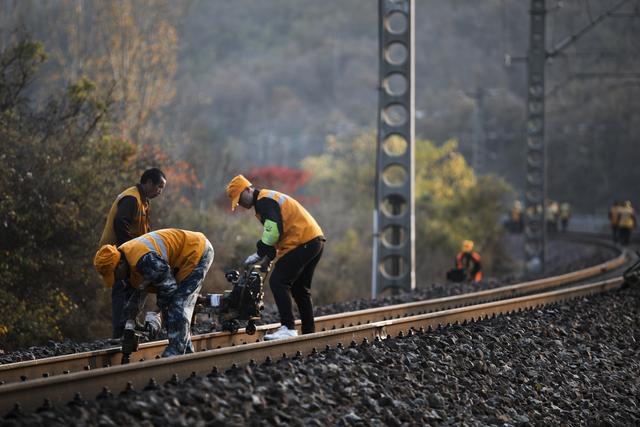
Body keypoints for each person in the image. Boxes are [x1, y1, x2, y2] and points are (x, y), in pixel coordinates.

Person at [226, 174, 325, 340]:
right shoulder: (266, 200)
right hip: (315, 241)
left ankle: (288, 327)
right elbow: (276, 234)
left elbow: (272, 232)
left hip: (302, 241)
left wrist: (259, 252)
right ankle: (309, 332)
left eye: (240, 198)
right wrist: (268, 259)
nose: (241, 204)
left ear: (248, 189)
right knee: (300, 289)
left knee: (278, 282)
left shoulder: (264, 201)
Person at [94, 228, 214, 357]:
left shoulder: (144, 259)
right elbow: (136, 294)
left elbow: (169, 288)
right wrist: (131, 321)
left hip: (196, 251)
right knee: (172, 308)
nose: (116, 279)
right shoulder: (125, 259)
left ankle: (175, 354)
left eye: (114, 274)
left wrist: (154, 314)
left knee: (178, 305)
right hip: (182, 259)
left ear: (120, 264)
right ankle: (187, 354)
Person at [99, 168, 167, 338]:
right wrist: (130, 251)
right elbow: (120, 223)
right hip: (118, 254)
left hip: (129, 252)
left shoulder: (143, 201)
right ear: (148, 182)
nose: (160, 191)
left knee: (134, 287)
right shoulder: (132, 198)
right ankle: (120, 332)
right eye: (159, 186)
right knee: (121, 290)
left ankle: (129, 327)